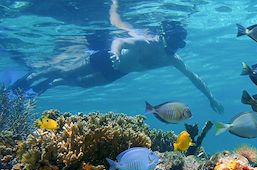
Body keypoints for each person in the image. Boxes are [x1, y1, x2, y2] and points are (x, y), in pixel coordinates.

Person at [10, 0, 224, 113]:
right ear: (165, 38)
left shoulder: (172, 59)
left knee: (84, 85)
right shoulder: (148, 41)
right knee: (65, 69)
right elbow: (119, 41)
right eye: (173, 45)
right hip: (108, 58)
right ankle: (29, 78)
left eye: (178, 47)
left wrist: (211, 97)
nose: (174, 51)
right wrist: (114, 54)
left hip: (119, 72)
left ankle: (49, 85)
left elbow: (193, 76)